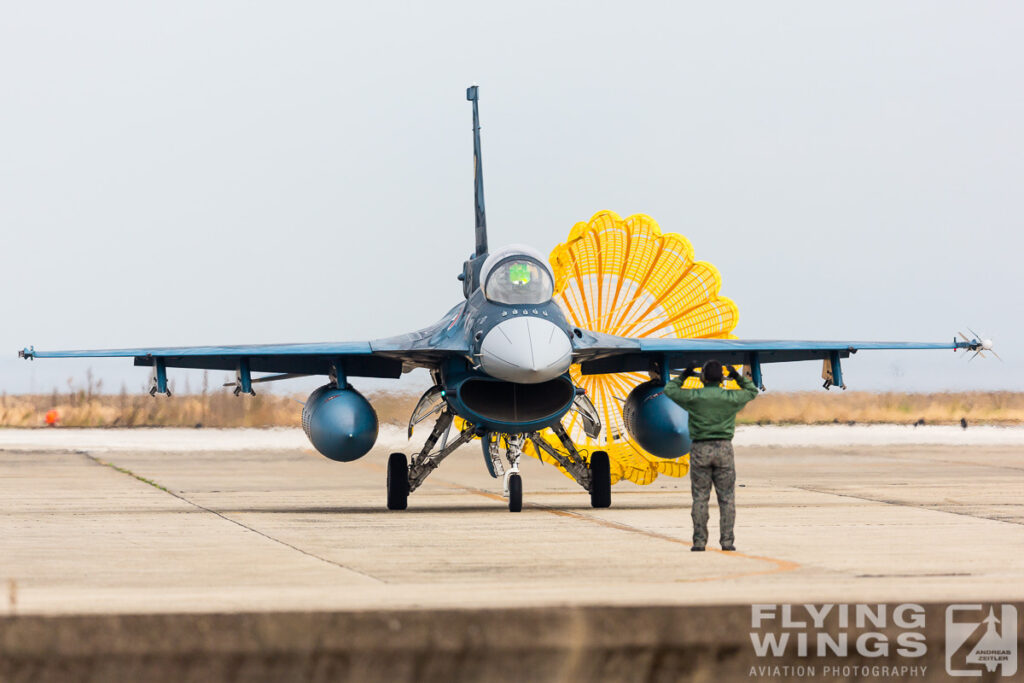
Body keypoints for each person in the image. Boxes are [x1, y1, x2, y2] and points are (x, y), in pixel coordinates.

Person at [663, 359, 758, 552]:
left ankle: (699, 542)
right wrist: (737, 376)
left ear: (703, 377)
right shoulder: (730, 398)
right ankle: (727, 542)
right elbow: (752, 391)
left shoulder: (694, 397)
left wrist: (685, 373)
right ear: (722, 378)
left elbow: (670, 390)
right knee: (727, 498)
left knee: (700, 498)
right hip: (724, 450)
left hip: (700, 449)